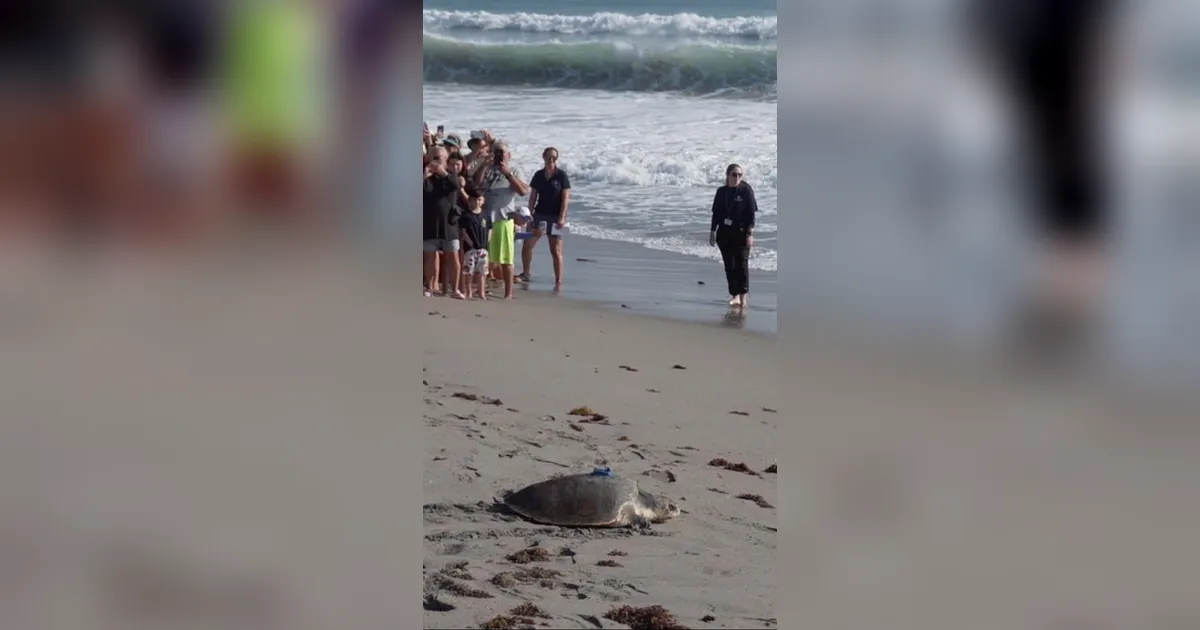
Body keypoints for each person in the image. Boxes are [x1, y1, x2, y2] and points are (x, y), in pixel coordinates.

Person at [474, 141, 529, 299]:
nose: (499, 155)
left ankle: (508, 293)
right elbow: (476, 186)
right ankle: (482, 290)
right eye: (496, 152)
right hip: (486, 220)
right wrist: (484, 165)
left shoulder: (514, 170)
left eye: (502, 152)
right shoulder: (487, 169)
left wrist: (508, 174)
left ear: (508, 155)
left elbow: (523, 192)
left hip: (504, 218)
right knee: (484, 257)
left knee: (506, 258)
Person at [709, 163, 758, 308]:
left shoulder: (746, 190)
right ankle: (734, 295)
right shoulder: (721, 192)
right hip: (724, 234)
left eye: (740, 175)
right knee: (729, 266)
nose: (737, 177)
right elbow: (716, 214)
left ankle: (743, 298)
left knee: (741, 266)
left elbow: (751, 215)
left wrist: (750, 234)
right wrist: (712, 231)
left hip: (741, 233)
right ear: (727, 175)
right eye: (734, 175)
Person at [521, 146, 571, 287]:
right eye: (548, 156)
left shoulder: (561, 176)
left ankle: (558, 280)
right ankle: (526, 273)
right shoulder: (538, 175)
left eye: (554, 157)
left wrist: (562, 217)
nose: (551, 159)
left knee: (556, 250)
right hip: (539, 214)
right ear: (543, 157)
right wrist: (528, 216)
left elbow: (565, 198)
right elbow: (532, 197)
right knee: (528, 244)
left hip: (555, 217)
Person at [423, 147, 463, 298]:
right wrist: (424, 176)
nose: (436, 161)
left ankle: (456, 289)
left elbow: (457, 185)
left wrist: (442, 172)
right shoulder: (426, 178)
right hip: (429, 223)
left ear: (446, 160)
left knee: (453, 256)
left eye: (439, 158)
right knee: (430, 256)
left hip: (449, 224)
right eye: (433, 158)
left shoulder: (450, 177)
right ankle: (430, 287)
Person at [458, 188, 490, 300]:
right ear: (470, 201)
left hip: (483, 248)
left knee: (482, 272)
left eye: (479, 200)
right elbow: (463, 231)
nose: (477, 202)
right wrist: (470, 242)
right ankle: (469, 291)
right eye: (474, 200)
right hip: (470, 249)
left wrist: (487, 241)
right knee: (469, 271)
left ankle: (481, 293)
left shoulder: (486, 215)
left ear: (483, 201)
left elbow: (490, 229)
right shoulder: (466, 216)